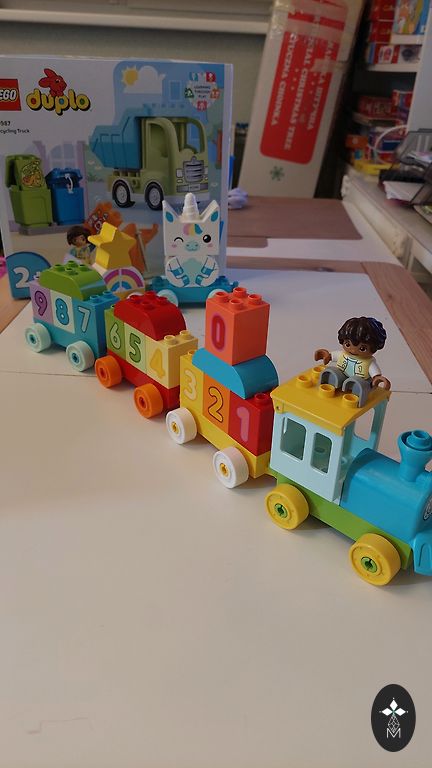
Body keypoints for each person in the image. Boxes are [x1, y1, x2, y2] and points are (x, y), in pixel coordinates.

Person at [314, 316, 391, 407]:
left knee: (358, 383)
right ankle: (330, 385)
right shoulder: (343, 354)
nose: (353, 350)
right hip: (342, 375)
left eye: (362, 348)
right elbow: (333, 356)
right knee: (331, 372)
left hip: (360, 380)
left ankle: (356, 396)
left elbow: (375, 374)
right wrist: (327, 356)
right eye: (347, 344)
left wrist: (376, 378)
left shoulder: (368, 362)